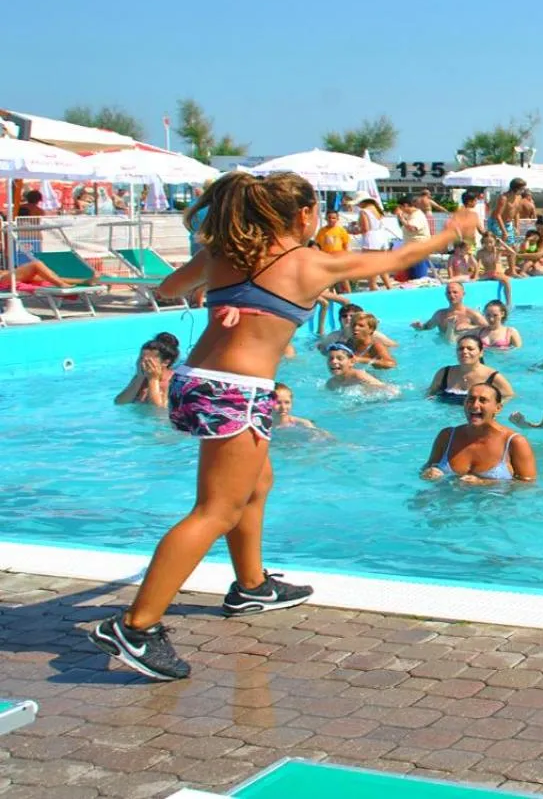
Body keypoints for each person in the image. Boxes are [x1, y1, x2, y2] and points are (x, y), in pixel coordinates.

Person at [89, 172, 476, 682]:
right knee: (214, 511)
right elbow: (396, 259)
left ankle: (251, 586)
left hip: (197, 381)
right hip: (235, 391)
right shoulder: (307, 263)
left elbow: (169, 286)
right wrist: (453, 232)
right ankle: (136, 627)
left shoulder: (225, 254)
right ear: (302, 216)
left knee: (258, 481)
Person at [420, 384, 537, 484]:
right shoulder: (447, 436)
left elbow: (527, 486)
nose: (475, 405)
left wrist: (484, 483)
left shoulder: (514, 442)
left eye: (483, 400)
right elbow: (427, 468)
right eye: (470, 399)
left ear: (498, 408)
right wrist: (428, 473)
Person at [426, 334, 516, 404]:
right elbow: (430, 394)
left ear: (481, 353)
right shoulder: (444, 373)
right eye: (460, 349)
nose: (464, 351)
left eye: (470, 348)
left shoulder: (493, 377)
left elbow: (509, 396)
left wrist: (492, 411)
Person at [115, 333, 181, 407]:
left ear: (165, 362)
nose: (142, 364)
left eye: (148, 361)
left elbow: (157, 412)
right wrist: (139, 378)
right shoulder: (141, 377)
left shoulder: (173, 381)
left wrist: (153, 379)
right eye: (141, 359)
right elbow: (119, 402)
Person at [347, 194, 394, 291]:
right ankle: (389, 287)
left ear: (362, 202)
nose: (357, 206)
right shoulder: (376, 209)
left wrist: (353, 231)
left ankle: (373, 289)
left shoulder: (364, 211)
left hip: (371, 241)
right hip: (381, 239)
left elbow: (365, 229)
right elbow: (374, 224)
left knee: (371, 268)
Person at [412, 281, 488, 337]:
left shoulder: (472, 314)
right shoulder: (440, 314)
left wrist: (470, 327)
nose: (451, 295)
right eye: (449, 293)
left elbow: (490, 329)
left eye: (455, 292)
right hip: (443, 350)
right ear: (445, 295)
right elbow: (427, 327)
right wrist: (419, 327)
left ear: (463, 294)